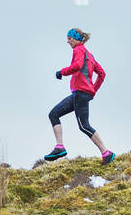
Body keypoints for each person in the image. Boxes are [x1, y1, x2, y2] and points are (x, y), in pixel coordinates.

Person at [44, 28, 115, 163]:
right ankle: (59, 147)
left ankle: (106, 153)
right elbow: (102, 74)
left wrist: (61, 72)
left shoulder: (78, 50)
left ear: (76, 39)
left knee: (84, 125)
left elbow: (77, 65)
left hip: (80, 92)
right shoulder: (90, 55)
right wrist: (93, 89)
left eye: (69, 38)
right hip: (81, 93)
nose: (67, 41)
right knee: (53, 114)